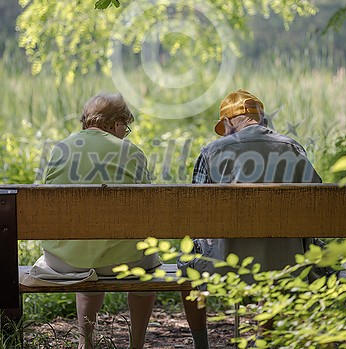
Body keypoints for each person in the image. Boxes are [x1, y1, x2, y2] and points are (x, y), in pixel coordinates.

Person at [179, 89, 322, 349]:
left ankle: (201, 345)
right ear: (260, 118)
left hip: (225, 265)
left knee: (186, 263)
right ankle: (264, 339)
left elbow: (197, 216)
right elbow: (318, 206)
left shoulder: (210, 152)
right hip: (287, 263)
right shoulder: (292, 147)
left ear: (229, 121)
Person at [41, 92, 160, 349]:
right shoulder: (132, 153)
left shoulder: (60, 148)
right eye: (125, 127)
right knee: (147, 265)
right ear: (116, 123)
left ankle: (86, 342)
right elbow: (149, 209)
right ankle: (136, 344)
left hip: (64, 262)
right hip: (124, 263)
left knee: (86, 254)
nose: (124, 133)